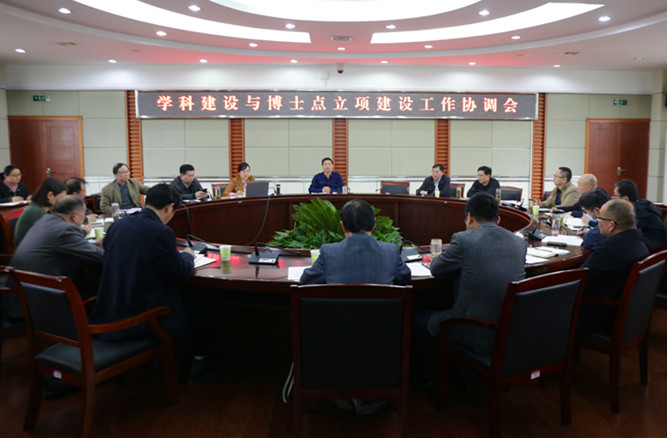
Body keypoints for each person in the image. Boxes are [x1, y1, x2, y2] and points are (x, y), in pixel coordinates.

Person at [90, 184, 212, 381]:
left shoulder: (118, 225)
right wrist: (188, 255)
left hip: (111, 308)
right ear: (169, 207)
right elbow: (181, 272)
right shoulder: (161, 232)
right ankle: (196, 364)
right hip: (142, 316)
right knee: (199, 302)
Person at [414, 193, 526, 384]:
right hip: (510, 331)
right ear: (498, 219)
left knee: (419, 318)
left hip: (474, 329)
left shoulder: (464, 239)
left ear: (469, 217)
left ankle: (433, 383)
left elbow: (436, 269)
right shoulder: (519, 242)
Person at [9, 196, 104, 317]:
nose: (84, 218)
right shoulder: (65, 230)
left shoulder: (46, 219)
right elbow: (100, 256)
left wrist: (93, 245)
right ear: (75, 216)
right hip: (43, 298)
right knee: (102, 282)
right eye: (83, 214)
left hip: (23, 291)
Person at [577, 199, 649, 335]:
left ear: (611, 225)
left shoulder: (608, 250)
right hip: (625, 315)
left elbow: (577, 283)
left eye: (600, 218)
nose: (597, 221)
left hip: (596, 317)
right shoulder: (638, 241)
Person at [300, 199, 411, 285]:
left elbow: (306, 280)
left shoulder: (328, 252)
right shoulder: (391, 251)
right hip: (382, 309)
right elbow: (405, 278)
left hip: (339, 309)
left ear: (343, 226)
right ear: (374, 225)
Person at [14, 177, 68, 248]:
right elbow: (56, 236)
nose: (63, 201)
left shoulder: (46, 209)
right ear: (50, 195)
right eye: (62, 198)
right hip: (32, 253)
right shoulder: (34, 212)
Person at [613, 179, 667, 248]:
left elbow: (623, 232)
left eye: (614, 195)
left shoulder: (640, 213)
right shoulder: (637, 206)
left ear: (625, 198)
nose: (612, 198)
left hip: (653, 249)